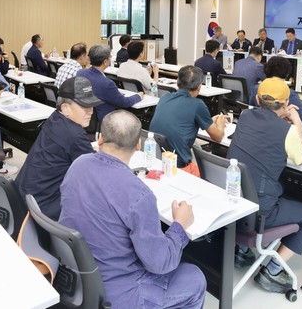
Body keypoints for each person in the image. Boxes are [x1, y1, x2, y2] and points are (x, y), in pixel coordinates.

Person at [60, 110, 207, 309]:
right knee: (195, 278)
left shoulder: (77, 165)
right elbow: (160, 264)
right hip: (120, 294)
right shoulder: (139, 195)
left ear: (100, 138)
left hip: (74, 279)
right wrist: (180, 225)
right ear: (138, 144)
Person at [227, 78, 302, 294]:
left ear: (258, 99)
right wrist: (297, 123)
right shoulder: (288, 131)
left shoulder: (245, 116)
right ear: (286, 103)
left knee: (264, 182)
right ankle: (273, 270)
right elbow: (300, 158)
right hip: (260, 211)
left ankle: (241, 250)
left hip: (235, 203)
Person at [16, 77, 101, 220]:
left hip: (23, 196)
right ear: (65, 108)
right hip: (42, 209)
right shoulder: (75, 134)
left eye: (92, 106)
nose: (90, 112)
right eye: (84, 106)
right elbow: (95, 173)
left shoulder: (55, 118)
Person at [149, 66, 227, 177]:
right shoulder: (198, 104)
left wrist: (208, 121)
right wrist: (221, 124)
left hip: (157, 158)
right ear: (199, 87)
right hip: (178, 167)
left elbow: (181, 122)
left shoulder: (165, 97)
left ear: (177, 82)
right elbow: (218, 137)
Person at [77, 45, 142, 122]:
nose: (110, 59)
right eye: (110, 57)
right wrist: (138, 96)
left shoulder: (80, 73)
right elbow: (124, 103)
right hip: (104, 121)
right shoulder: (107, 84)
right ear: (105, 62)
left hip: (84, 116)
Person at [250, 57, 302, 125]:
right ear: (287, 74)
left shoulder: (256, 89)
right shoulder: (289, 93)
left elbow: (252, 108)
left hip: (259, 125)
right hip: (281, 128)